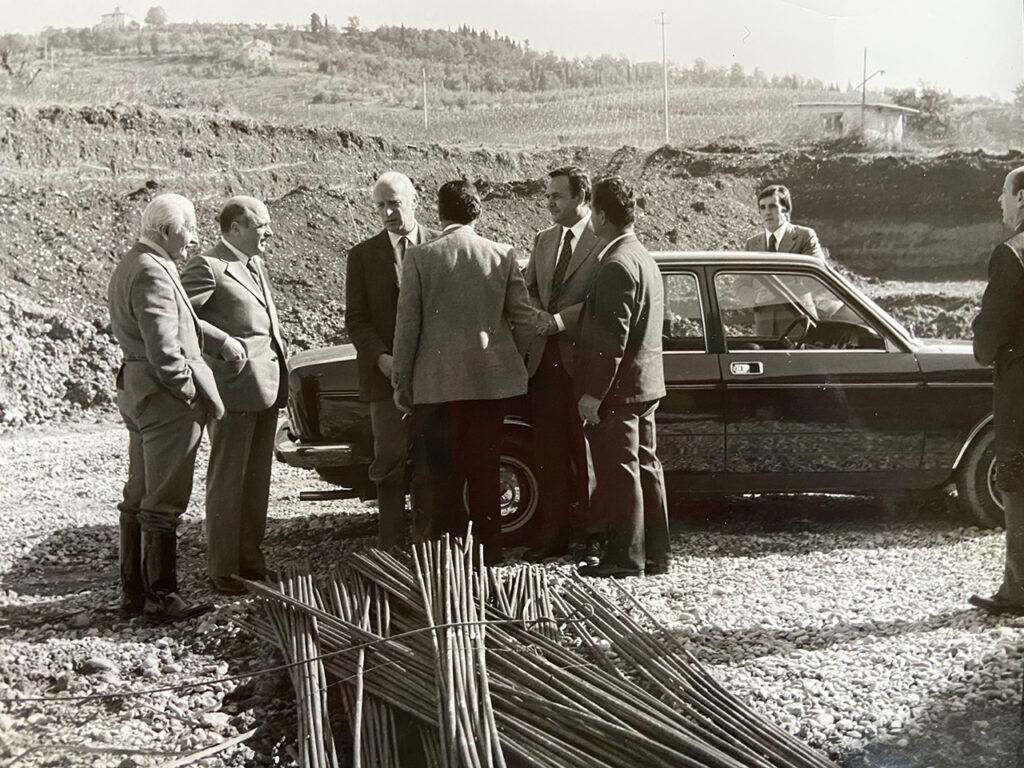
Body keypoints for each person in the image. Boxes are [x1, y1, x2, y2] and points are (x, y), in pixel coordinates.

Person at [391, 180, 537, 566]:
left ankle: (449, 559)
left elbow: (407, 327)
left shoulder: (420, 257)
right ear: (478, 211)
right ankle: (490, 556)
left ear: (440, 213)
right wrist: (509, 358)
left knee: (442, 478)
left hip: (435, 388)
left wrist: (402, 381)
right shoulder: (501, 254)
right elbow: (524, 320)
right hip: (488, 387)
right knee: (485, 473)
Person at [108, 193, 224, 623]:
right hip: (163, 398)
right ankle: (161, 596)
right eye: (189, 229)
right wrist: (188, 391)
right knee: (164, 499)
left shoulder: (134, 263)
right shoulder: (152, 271)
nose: (193, 238)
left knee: (139, 494)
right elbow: (164, 348)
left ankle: (134, 593)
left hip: (141, 390)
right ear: (168, 231)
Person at [180, 196, 287, 595]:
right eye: (262, 225)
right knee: (229, 482)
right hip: (234, 391)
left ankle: (250, 563)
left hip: (265, 388)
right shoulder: (207, 266)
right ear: (236, 228)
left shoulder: (254, 263)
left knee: (255, 483)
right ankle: (224, 570)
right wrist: (221, 341)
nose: (269, 232)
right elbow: (182, 317)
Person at [574, 176, 669, 579]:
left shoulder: (615, 264)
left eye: (591, 210)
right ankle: (656, 555)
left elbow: (612, 341)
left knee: (620, 472)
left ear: (600, 214)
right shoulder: (641, 256)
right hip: (643, 385)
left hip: (619, 391)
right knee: (645, 466)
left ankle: (625, 559)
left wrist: (593, 394)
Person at [345, 172, 440, 549]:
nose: (387, 213)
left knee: (432, 461)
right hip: (384, 379)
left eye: (394, 204)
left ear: (415, 201)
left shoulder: (439, 245)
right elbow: (356, 319)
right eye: (380, 206)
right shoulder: (363, 256)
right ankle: (391, 545)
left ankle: (429, 544)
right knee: (388, 464)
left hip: (435, 377)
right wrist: (382, 360)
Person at [522, 166, 606, 564]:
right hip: (544, 364)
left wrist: (557, 321)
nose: (549, 203)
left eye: (557, 195)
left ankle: (595, 538)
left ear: (581, 197)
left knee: (587, 454)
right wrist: (538, 315)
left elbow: (601, 300)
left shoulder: (602, 240)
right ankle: (553, 536)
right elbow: (528, 288)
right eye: (548, 195)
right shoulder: (543, 240)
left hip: (584, 364)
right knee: (549, 453)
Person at [969, 165, 1024, 616]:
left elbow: (989, 337)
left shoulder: (1010, 254)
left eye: (1004, 193)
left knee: (1017, 481)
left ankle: (1018, 589)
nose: (999, 201)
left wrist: (980, 337)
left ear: (1022, 198)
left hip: (1020, 391)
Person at [744, 184, 824, 257]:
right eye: (763, 208)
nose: (767, 212)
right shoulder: (751, 245)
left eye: (772, 207)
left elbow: (817, 266)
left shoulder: (804, 238)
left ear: (785, 210)